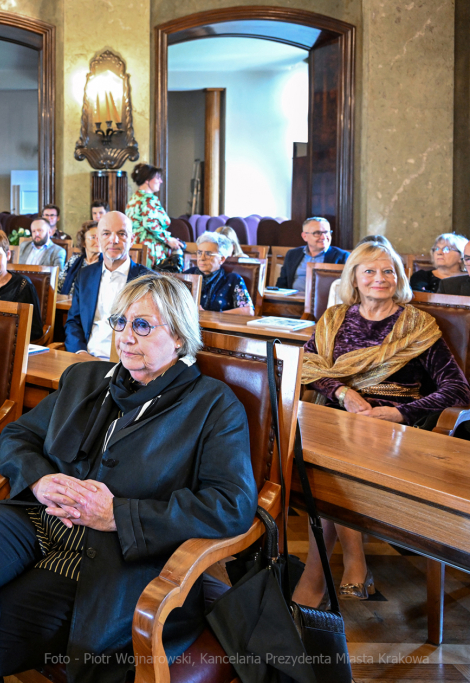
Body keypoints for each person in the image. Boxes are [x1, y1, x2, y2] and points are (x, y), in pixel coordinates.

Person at [0, 273, 258, 683]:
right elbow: (18, 435)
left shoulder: (213, 406)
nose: (126, 337)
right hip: (41, 520)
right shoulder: (87, 379)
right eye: (121, 322)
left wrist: (118, 515)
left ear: (180, 337)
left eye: (143, 325)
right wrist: (40, 480)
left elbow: (232, 506)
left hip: (115, 557)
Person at [292, 241, 470, 607]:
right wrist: (343, 393)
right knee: (316, 450)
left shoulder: (417, 325)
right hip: (338, 416)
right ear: (354, 278)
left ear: (399, 277)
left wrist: (400, 413)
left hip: (398, 431)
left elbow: (458, 389)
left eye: (388, 271)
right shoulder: (335, 318)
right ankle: (352, 561)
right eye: (369, 271)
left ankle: (317, 574)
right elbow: (309, 367)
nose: (380, 278)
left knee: (329, 464)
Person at [65, 211, 151, 359]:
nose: (113, 240)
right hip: (86, 358)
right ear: (98, 239)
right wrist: (80, 352)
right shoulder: (85, 275)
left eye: (122, 233)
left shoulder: (148, 280)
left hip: (128, 363)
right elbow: (74, 322)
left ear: (132, 239)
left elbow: (151, 331)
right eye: (106, 234)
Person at [183, 232, 254, 315]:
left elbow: (248, 311)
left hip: (219, 326)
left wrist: (210, 315)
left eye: (208, 254)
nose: (202, 258)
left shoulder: (233, 279)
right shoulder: (187, 276)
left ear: (222, 259)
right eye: (199, 253)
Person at [127, 163, 183, 268]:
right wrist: (168, 239)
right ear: (147, 180)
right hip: (150, 251)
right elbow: (150, 224)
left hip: (135, 248)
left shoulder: (134, 198)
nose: (160, 181)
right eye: (157, 178)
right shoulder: (149, 199)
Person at [275, 217, 349, 291]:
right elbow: (281, 284)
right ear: (304, 236)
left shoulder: (342, 257)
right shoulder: (292, 254)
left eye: (326, 232)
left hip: (325, 302)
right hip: (293, 300)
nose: (323, 237)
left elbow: (346, 288)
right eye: (317, 233)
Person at [58, 220, 99, 295]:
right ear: (83, 242)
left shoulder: (107, 264)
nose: (98, 241)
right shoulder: (74, 260)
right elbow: (59, 285)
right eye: (93, 237)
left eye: (100, 237)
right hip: (68, 303)